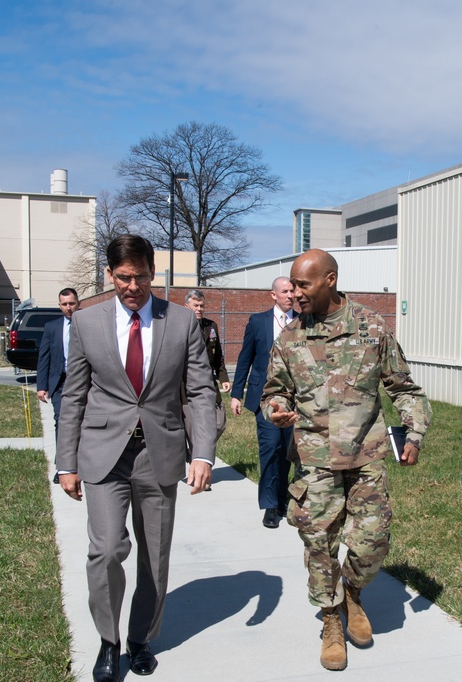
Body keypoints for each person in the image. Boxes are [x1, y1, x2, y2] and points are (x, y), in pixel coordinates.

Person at [55, 235, 217, 682]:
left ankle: (140, 637)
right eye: (124, 277)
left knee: (155, 555)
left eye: (141, 277)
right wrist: (65, 462)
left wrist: (202, 452)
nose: (132, 286)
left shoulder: (181, 322)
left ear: (153, 274)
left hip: (159, 454)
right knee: (106, 551)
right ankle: (109, 642)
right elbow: (74, 397)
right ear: (110, 275)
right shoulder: (88, 323)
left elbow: (202, 391)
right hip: (104, 455)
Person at [261, 249, 432, 671]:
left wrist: (414, 432)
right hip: (314, 462)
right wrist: (277, 409)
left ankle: (353, 593)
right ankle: (331, 619)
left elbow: (403, 388)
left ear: (330, 280)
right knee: (319, 546)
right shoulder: (289, 339)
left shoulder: (373, 327)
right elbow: (273, 393)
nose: (294, 294)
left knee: (373, 543)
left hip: (366, 458)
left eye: (303, 285)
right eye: (292, 285)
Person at [230, 276, 296, 529]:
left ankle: (282, 501)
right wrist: (237, 393)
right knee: (270, 450)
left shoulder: (302, 321)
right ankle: (269, 505)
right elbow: (245, 358)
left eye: (292, 291)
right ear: (273, 295)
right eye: (285, 291)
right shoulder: (258, 322)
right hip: (265, 398)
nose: (290, 295)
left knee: (288, 452)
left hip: (293, 400)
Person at [183, 290, 230, 443]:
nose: (199, 309)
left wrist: (223, 378)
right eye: (195, 305)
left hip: (209, 382)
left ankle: (201, 448)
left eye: (202, 306)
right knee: (191, 429)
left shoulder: (211, 327)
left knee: (219, 422)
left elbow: (218, 356)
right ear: (186, 306)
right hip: (185, 386)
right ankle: (195, 458)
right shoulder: (179, 327)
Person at [36, 288, 80, 437]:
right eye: (64, 304)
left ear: (78, 303)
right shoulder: (52, 327)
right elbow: (44, 357)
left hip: (82, 381)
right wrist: (42, 386)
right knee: (60, 419)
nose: (68, 308)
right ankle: (61, 458)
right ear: (59, 305)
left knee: (81, 420)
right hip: (60, 381)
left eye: (72, 303)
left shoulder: (88, 324)